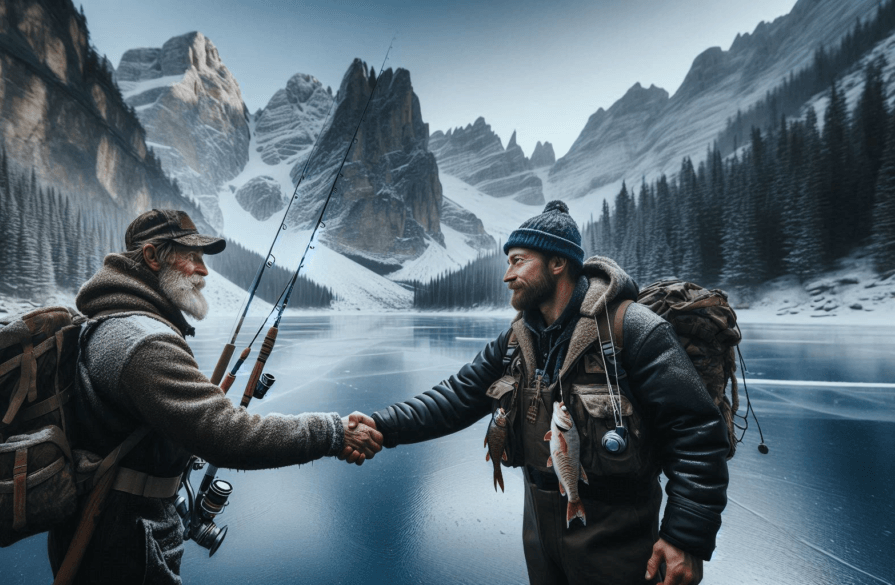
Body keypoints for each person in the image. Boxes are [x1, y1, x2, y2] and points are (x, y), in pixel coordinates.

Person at [345, 200, 729, 585]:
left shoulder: (633, 329)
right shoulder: (516, 340)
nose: (507, 275)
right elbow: (456, 397)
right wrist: (381, 425)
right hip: (540, 534)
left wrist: (684, 537)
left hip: (619, 541)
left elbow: (696, 433)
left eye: (518, 261)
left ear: (557, 263)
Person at [48, 209, 382, 584]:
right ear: (152, 257)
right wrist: (332, 432)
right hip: (121, 546)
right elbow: (228, 435)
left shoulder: (115, 323)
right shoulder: (143, 342)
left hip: (105, 533)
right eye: (191, 257)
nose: (203, 270)